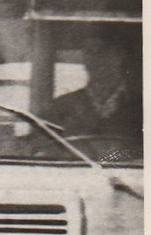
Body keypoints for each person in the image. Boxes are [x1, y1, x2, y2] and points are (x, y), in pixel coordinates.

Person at [49, 29, 142, 161]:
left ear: (120, 56)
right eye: (89, 52)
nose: (94, 59)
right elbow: (46, 151)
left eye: (102, 51)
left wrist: (113, 157)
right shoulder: (62, 106)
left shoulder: (140, 107)